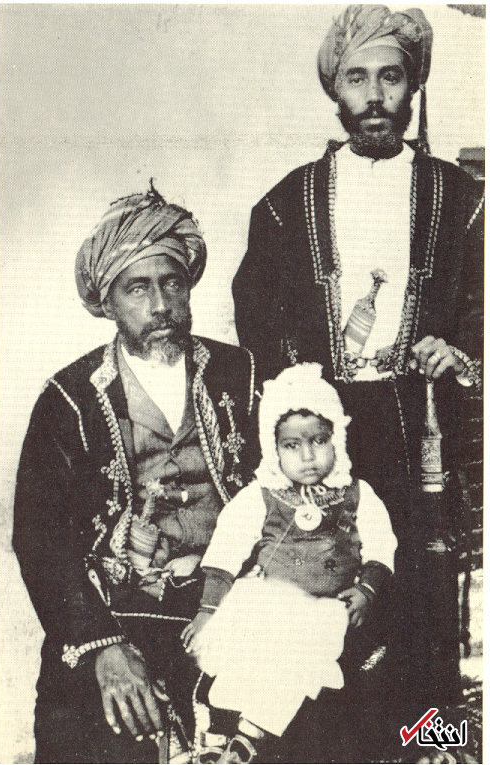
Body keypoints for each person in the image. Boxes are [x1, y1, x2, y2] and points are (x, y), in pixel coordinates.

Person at [232, 5, 483, 762]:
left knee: (422, 590)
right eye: (357, 79)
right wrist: (304, 382)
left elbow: (483, 306)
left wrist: (459, 350)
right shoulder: (286, 204)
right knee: (322, 589)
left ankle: (429, 742)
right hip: (324, 431)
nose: (375, 96)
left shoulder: (463, 200)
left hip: (421, 426)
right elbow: (256, 314)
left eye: (391, 77)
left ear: (413, 85)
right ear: (334, 91)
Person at [13, 183, 258, 764]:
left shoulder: (241, 372)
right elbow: (40, 538)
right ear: (108, 301)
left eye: (172, 283)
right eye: (138, 288)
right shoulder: (68, 398)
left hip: (237, 600)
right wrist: (103, 647)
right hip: (120, 608)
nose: (160, 305)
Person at [182, 364, 397, 764]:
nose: (308, 456)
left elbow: (382, 546)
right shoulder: (262, 495)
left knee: (303, 657)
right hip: (270, 597)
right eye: (292, 445)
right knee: (248, 650)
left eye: (319, 440)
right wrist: (208, 609)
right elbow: (226, 550)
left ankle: (249, 736)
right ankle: (216, 729)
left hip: (326, 604)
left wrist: (367, 589)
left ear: (338, 438)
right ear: (273, 448)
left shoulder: (356, 493)